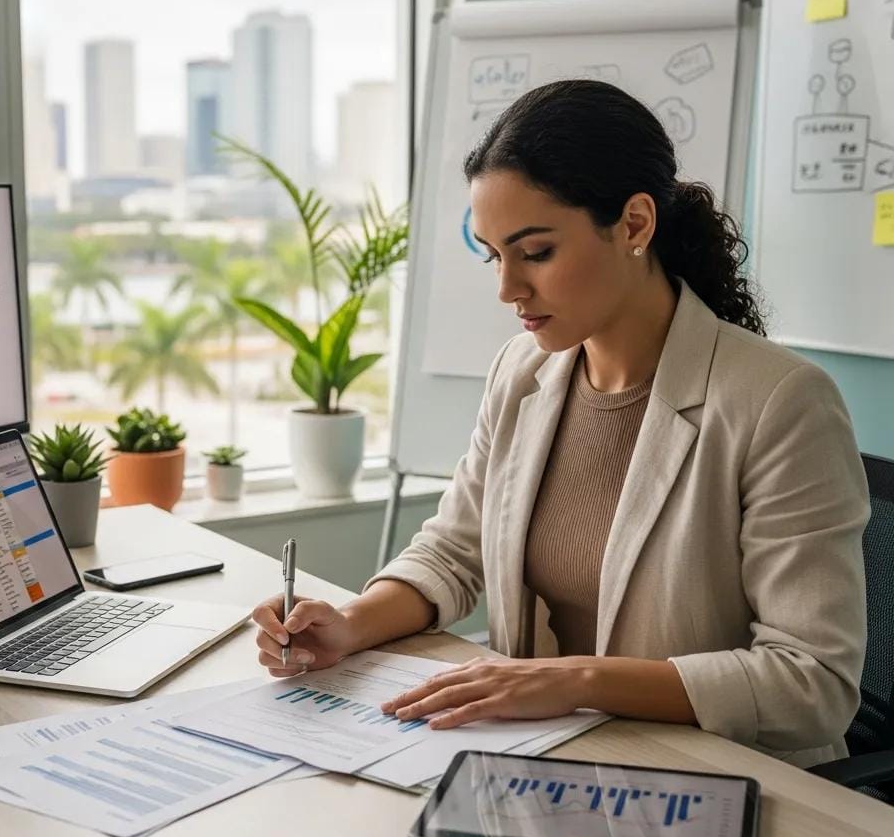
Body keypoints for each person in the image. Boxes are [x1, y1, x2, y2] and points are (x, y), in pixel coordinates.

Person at [252, 80, 869, 768]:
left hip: (725, 777)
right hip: (556, 758)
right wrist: (349, 625)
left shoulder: (781, 401)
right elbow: (454, 551)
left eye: (536, 252)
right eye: (493, 254)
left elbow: (812, 682)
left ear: (634, 225)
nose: (507, 288)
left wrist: (573, 681)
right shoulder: (522, 372)